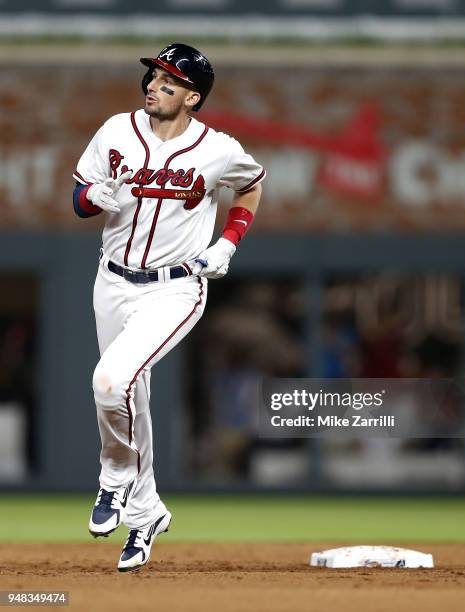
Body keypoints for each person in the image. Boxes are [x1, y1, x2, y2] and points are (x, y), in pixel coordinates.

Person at [72, 43, 265, 572]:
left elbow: (251, 184)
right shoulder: (115, 130)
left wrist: (229, 240)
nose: (155, 85)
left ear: (192, 97)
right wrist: (94, 201)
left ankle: (114, 479)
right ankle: (146, 514)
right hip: (111, 282)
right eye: (154, 75)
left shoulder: (218, 149)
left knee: (110, 383)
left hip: (175, 288)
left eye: (169, 81)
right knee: (133, 395)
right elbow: (79, 195)